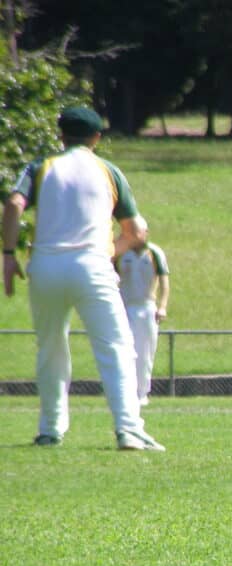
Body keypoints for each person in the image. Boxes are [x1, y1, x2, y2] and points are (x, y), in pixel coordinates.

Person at [1, 106, 165, 450]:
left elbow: (14, 205)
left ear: (61, 135)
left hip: (45, 265)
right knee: (116, 346)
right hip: (92, 266)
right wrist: (108, 251)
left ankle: (50, 428)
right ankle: (128, 429)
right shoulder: (108, 170)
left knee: (50, 346)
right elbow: (135, 230)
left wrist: (8, 255)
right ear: (97, 138)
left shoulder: (41, 167)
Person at [116, 240, 170, 405]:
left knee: (145, 352)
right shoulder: (120, 251)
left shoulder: (154, 252)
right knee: (124, 350)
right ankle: (125, 391)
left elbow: (164, 282)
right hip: (125, 306)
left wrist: (162, 306)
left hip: (146, 306)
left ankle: (142, 393)